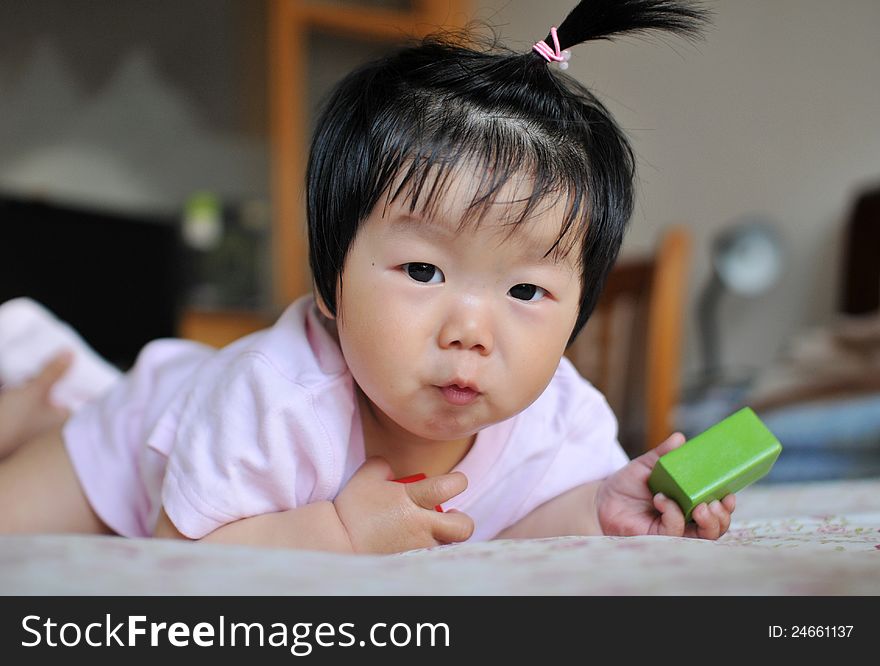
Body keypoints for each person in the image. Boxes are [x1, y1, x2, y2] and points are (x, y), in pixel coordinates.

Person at [0, 0, 736, 552]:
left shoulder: (565, 421)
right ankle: (50, 413)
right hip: (135, 444)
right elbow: (177, 554)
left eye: (525, 291)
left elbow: (515, 533)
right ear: (329, 281)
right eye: (423, 269)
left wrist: (599, 512)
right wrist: (339, 532)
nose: (471, 332)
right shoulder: (275, 399)